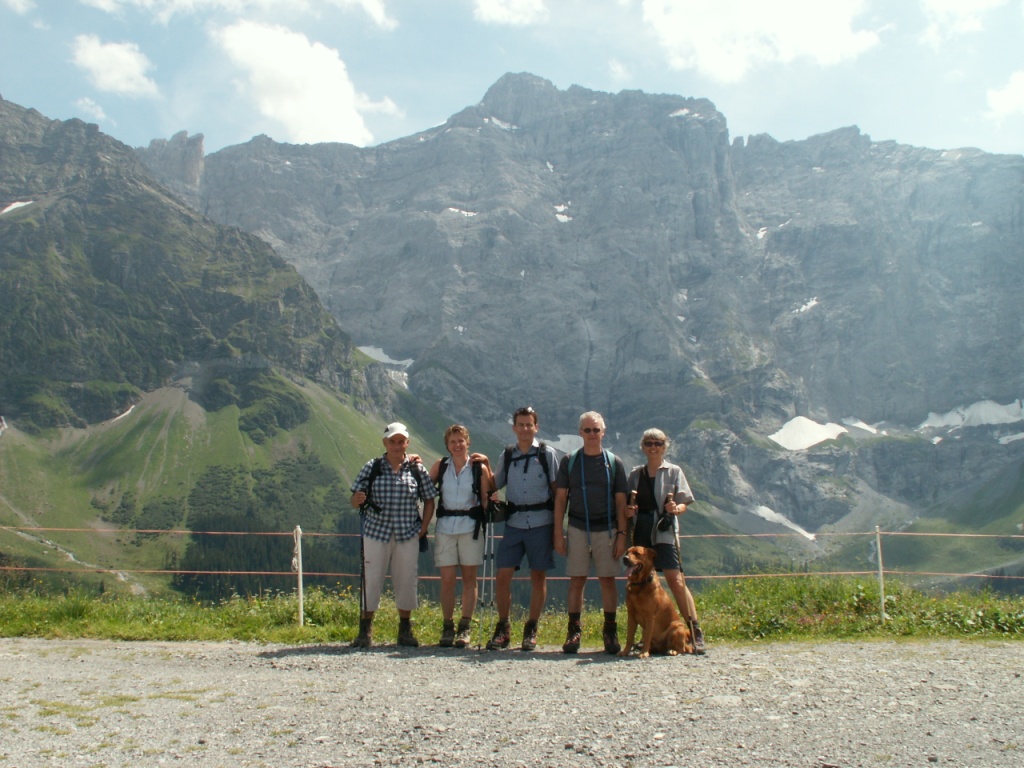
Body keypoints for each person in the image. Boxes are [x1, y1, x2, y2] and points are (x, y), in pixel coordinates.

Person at [349, 422, 437, 648]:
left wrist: (424, 527)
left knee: (406, 579)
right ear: (385, 443)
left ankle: (404, 629)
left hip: (407, 533)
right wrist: (356, 500)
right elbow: (355, 498)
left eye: (401, 441)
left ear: (407, 443)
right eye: (392, 441)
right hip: (376, 531)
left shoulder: (417, 469)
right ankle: (365, 630)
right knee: (372, 578)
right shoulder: (373, 466)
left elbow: (429, 499)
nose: (397, 446)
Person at [484, 406, 560, 652]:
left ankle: (532, 629)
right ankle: (504, 627)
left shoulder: (547, 454)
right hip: (514, 523)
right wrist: (483, 464)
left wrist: (558, 528)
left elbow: (558, 492)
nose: (525, 429)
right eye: (521, 424)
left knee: (538, 576)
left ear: (536, 427)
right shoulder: (507, 454)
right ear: (514, 427)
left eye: (530, 424)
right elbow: (495, 483)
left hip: (541, 522)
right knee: (503, 574)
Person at [553, 411, 629, 654]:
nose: (592, 434)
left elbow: (620, 502)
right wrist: (558, 533)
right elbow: (561, 498)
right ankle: (574, 632)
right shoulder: (569, 461)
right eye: (588, 430)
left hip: (607, 530)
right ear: (580, 433)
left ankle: (610, 632)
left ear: (603, 432)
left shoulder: (614, 462)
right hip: (577, 528)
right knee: (577, 580)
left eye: (596, 430)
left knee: (608, 580)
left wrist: (621, 535)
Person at [625, 428, 706, 653]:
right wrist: (628, 512)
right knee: (640, 581)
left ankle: (694, 629)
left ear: (665, 446)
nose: (653, 447)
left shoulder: (674, 471)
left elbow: (684, 502)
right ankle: (650, 636)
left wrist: (676, 509)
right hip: (642, 532)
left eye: (658, 443)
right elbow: (627, 504)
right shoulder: (635, 474)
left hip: (665, 531)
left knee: (675, 579)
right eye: (649, 443)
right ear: (643, 447)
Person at [428, 425, 494, 648]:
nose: (457, 445)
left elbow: (488, 496)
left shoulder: (478, 468)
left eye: (460, 441)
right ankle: (448, 626)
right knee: (447, 580)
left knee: (469, 579)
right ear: (447, 445)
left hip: (470, 527)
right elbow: (425, 487)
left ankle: (464, 627)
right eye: (452, 442)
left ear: (468, 442)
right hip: (445, 527)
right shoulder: (441, 466)